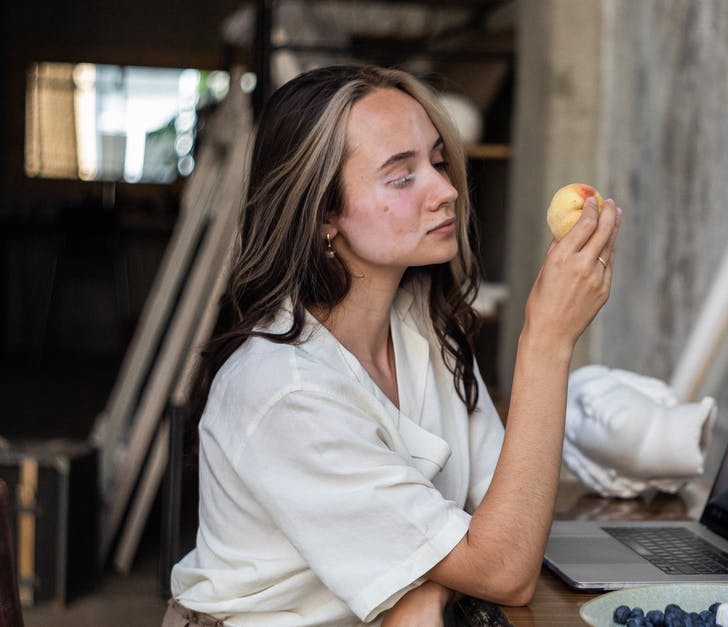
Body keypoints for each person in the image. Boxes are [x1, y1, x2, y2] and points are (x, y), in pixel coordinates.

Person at [164, 64, 622, 626]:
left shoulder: (422, 327)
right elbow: (504, 568)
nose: (447, 189)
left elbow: (509, 516)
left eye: (435, 160)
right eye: (402, 177)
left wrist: (430, 585)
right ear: (324, 215)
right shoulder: (285, 391)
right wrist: (547, 341)